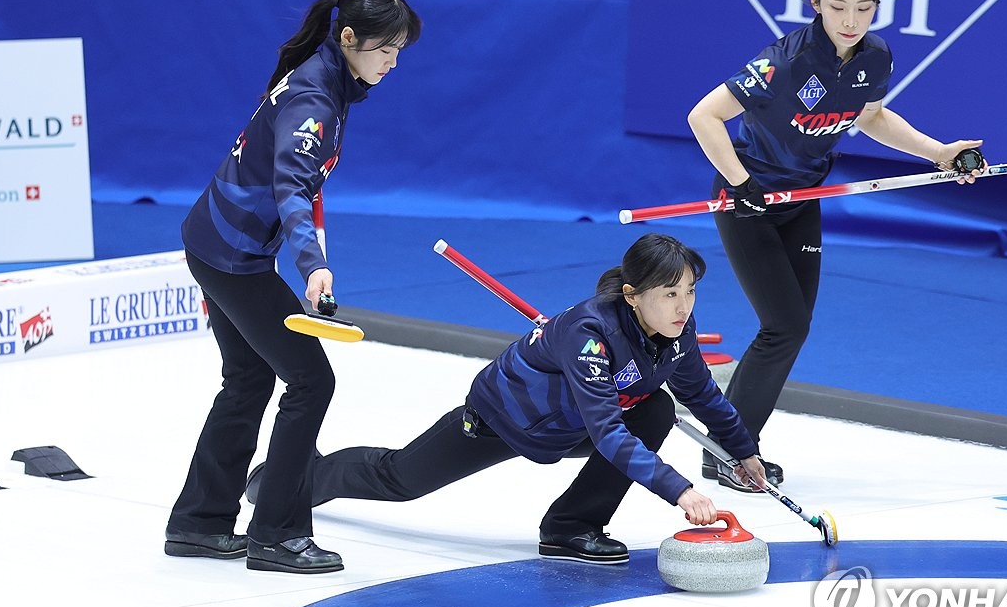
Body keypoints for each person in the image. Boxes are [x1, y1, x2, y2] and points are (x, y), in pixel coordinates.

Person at [245, 233, 769, 564]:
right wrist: (682, 492)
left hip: (569, 426)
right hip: (502, 420)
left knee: (656, 408)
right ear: (633, 295)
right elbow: (609, 432)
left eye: (690, 291)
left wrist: (742, 451)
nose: (684, 306)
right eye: (670, 294)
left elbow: (701, 391)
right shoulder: (590, 333)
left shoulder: (678, 329)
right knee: (400, 479)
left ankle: (571, 527)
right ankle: (290, 477)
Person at [686, 0, 985, 492]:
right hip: (748, 201)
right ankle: (729, 454)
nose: (851, 22)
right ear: (815, 2)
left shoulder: (876, 56)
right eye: (838, 6)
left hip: (802, 201)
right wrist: (740, 182)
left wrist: (938, 153)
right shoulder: (784, 61)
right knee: (784, 327)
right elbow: (704, 116)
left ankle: (729, 445)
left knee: (791, 331)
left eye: (864, 9)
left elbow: (870, 116)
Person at [164, 0, 422, 574]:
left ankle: (199, 523)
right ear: (349, 37)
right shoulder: (314, 97)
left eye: (400, 51)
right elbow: (291, 188)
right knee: (311, 381)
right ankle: (277, 533)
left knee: (249, 378)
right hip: (233, 257)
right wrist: (312, 265)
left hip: (215, 243)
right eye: (384, 48)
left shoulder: (330, 77)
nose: (392, 62)